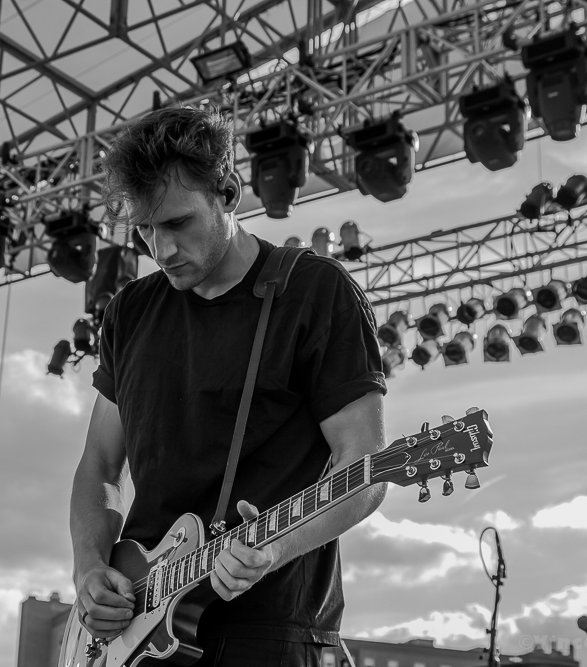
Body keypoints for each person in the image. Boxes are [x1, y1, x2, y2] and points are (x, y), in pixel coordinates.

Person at [69, 106, 388, 667]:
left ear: (230, 194)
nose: (161, 250)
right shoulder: (129, 312)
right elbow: (99, 465)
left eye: (177, 223)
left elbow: (365, 469)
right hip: (135, 635)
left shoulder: (313, 292)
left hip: (270, 634)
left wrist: (275, 548)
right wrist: (90, 568)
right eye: (144, 229)